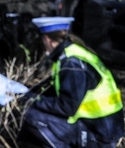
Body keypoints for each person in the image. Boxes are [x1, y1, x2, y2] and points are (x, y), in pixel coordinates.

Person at [17, 17, 124, 148]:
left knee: (31, 115)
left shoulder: (72, 64)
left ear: (47, 40)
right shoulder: (72, 53)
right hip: (103, 127)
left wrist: (28, 100)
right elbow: (53, 88)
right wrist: (27, 91)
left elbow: (66, 108)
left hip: (99, 135)